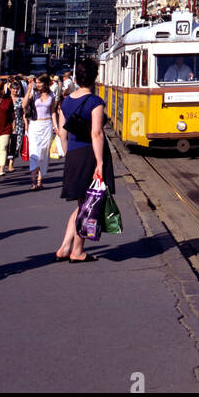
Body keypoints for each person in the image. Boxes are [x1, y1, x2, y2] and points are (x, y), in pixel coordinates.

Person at [55, 58, 113, 262]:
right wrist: (100, 163)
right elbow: (96, 133)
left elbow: (62, 133)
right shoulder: (95, 102)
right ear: (95, 78)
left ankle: (64, 248)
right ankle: (77, 251)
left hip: (73, 155)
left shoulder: (67, 101)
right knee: (88, 204)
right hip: (90, 155)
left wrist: (68, 152)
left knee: (82, 203)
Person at [26, 74, 58, 191]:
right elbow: (24, 106)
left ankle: (39, 181)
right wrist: (28, 91)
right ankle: (33, 181)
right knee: (35, 152)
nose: (37, 84)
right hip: (35, 125)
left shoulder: (52, 95)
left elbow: (53, 111)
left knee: (44, 153)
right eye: (36, 82)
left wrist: (56, 127)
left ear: (45, 83)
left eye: (39, 82)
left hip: (47, 125)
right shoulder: (33, 93)